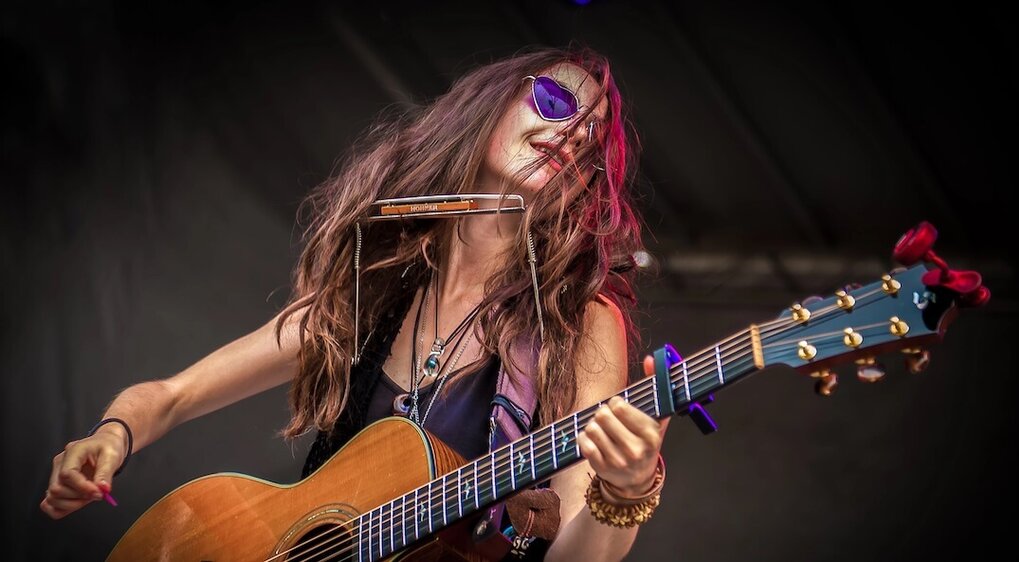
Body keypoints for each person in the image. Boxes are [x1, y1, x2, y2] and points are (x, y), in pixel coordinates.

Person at [41, 46, 670, 561]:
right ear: (491, 104)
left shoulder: (579, 323)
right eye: (556, 101)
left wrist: (627, 490)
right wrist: (113, 435)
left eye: (592, 141)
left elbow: (578, 557)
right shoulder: (374, 294)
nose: (572, 135)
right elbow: (172, 396)